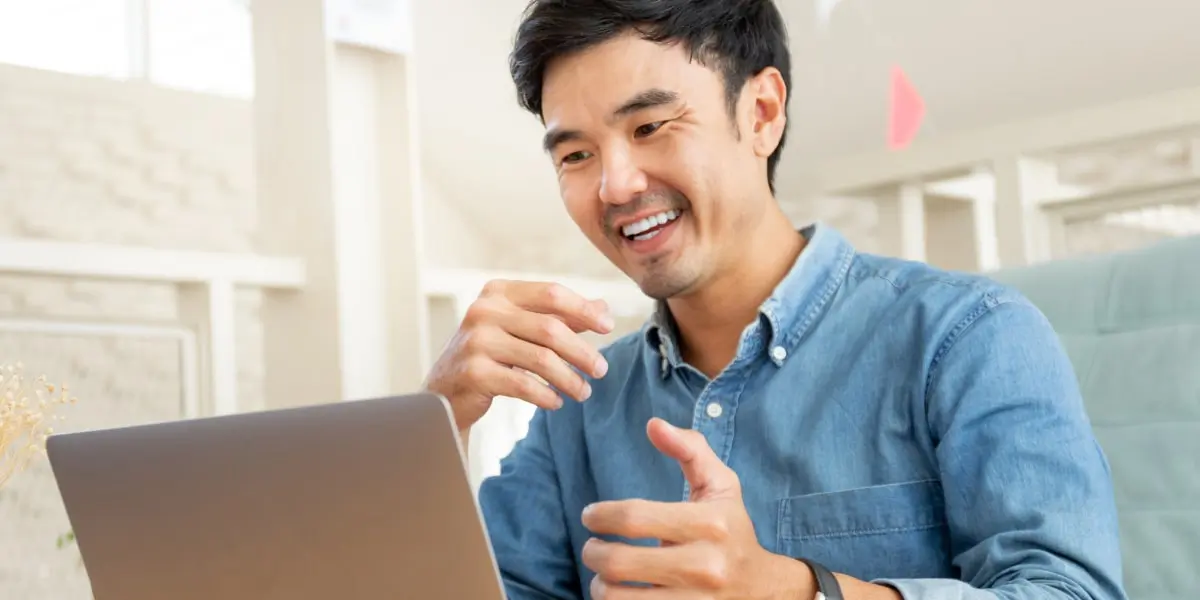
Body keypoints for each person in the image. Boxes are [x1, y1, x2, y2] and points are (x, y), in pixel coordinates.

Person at [422, 1, 1128, 598]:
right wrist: (433, 430)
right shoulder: (576, 404)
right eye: (575, 155)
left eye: (649, 128)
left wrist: (801, 589)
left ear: (761, 112)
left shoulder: (969, 338)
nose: (615, 184)